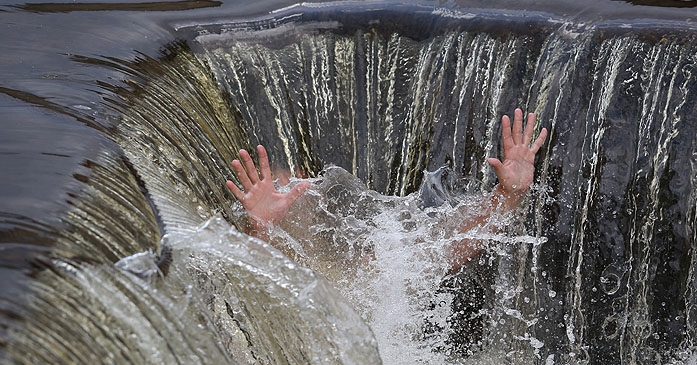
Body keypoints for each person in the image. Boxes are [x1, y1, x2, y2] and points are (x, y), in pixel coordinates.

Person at [226, 108, 548, 269]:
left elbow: (442, 251)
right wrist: (260, 231)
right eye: (278, 190)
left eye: (293, 182)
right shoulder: (287, 269)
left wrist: (507, 197)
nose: (290, 197)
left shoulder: (356, 268)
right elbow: (256, 291)